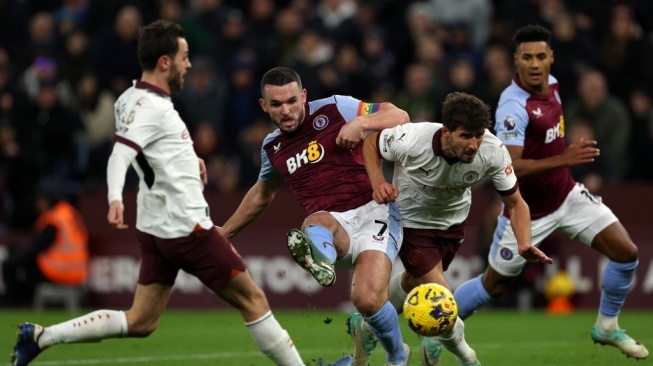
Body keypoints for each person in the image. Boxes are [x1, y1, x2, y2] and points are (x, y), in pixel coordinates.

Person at [10, 20, 344, 366]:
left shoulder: (128, 99)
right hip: (185, 226)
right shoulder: (155, 109)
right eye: (184, 57)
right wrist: (113, 198)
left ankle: (41, 336)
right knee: (253, 301)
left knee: (141, 320)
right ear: (165, 62)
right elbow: (122, 152)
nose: (188, 64)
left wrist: (187, 159)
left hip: (154, 224)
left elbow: (149, 147)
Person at [453, 24, 649, 360]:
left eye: (541, 56)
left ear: (551, 58)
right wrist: (564, 158)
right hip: (527, 210)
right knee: (493, 285)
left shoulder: (554, 86)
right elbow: (510, 165)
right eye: (527, 57)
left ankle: (606, 326)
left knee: (626, 253)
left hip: (566, 195)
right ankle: (442, 324)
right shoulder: (513, 107)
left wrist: (562, 163)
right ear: (516, 60)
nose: (534, 63)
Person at [219, 66, 412, 366]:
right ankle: (322, 261)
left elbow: (399, 115)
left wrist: (361, 123)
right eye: (277, 104)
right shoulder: (272, 147)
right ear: (264, 106)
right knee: (315, 221)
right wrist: (224, 233)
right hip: (335, 228)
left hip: (375, 212)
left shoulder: (337, 107)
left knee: (367, 301)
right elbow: (261, 194)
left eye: (292, 101)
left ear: (304, 96)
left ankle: (398, 357)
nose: (286, 110)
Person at [361, 91, 552, 366]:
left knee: (412, 283)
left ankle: (366, 324)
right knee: (444, 303)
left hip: (451, 226)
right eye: (466, 136)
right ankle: (470, 359)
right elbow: (372, 142)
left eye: (479, 135)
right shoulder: (413, 139)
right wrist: (378, 181)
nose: (474, 144)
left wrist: (523, 242)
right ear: (447, 131)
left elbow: (516, 203)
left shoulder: (493, 151)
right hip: (410, 222)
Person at [1, 180, 88, 307]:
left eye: (40, 199)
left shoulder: (54, 219)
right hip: (78, 273)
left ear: (49, 198)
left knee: (15, 263)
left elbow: (34, 248)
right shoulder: (71, 213)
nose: (38, 203)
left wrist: (10, 259)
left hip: (58, 272)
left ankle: (10, 304)